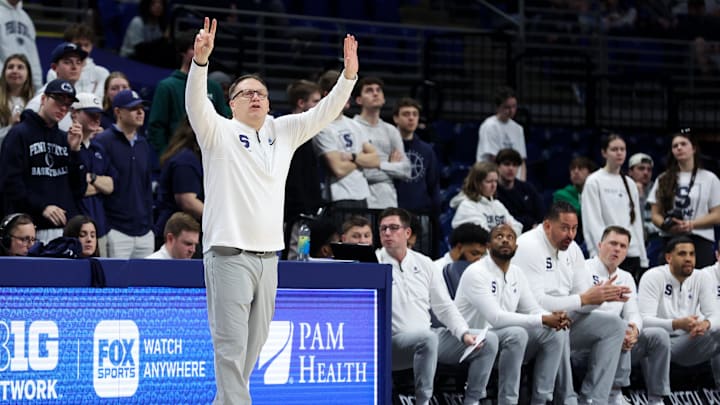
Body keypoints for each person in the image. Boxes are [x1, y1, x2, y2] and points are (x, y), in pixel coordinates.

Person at [186, 17, 358, 403]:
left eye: (260, 92)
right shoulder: (218, 132)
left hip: (269, 257)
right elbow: (195, 104)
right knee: (230, 350)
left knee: (252, 349)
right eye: (246, 93)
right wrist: (200, 64)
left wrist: (348, 77)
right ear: (231, 104)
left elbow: (324, 112)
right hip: (228, 252)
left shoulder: (283, 131)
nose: (255, 97)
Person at [375, 207, 498, 405]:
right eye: (383, 229)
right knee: (428, 337)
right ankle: (423, 401)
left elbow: (444, 307)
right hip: (392, 343)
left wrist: (464, 333)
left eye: (393, 228)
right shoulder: (375, 262)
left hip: (428, 338)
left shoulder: (425, 263)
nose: (387, 233)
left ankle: (473, 401)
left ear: (407, 233)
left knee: (489, 340)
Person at [511, 201, 629, 404]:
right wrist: (583, 299)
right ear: (548, 226)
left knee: (614, 325)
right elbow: (533, 302)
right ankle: (567, 399)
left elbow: (582, 299)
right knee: (559, 324)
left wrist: (600, 297)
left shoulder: (573, 249)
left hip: (563, 319)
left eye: (574, 228)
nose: (571, 235)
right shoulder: (528, 246)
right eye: (564, 228)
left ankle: (594, 399)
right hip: (528, 324)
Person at [455, 223, 568, 405]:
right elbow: (496, 318)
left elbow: (532, 308)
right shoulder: (476, 272)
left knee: (555, 332)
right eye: (499, 236)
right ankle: (508, 401)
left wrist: (552, 317)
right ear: (488, 246)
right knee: (517, 333)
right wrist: (542, 319)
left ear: (516, 246)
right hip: (470, 337)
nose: (505, 239)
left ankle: (542, 399)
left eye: (510, 237)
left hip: (502, 338)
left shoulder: (517, 273)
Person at [584, 226, 670, 405]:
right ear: (600, 245)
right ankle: (614, 393)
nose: (617, 249)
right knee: (617, 327)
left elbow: (633, 313)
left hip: (618, 341)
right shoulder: (583, 269)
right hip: (584, 343)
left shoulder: (626, 277)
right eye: (613, 243)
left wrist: (635, 331)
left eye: (623, 246)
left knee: (657, 335)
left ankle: (656, 398)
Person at [0, 79, 85, 243]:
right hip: (29, 230)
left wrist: (75, 152)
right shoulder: (19, 134)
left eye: (67, 105)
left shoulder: (64, 138)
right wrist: (42, 207)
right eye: (58, 100)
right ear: (44, 99)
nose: (63, 108)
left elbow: (79, 190)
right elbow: (10, 183)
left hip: (63, 229)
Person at [638, 236, 720, 390]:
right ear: (669, 257)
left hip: (687, 341)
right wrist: (676, 324)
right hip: (659, 341)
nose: (688, 259)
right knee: (655, 335)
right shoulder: (653, 277)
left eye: (692, 254)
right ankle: (656, 398)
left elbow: (715, 315)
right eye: (682, 254)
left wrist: (706, 324)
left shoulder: (702, 277)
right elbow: (643, 321)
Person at [148, 32, 229, 155]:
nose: (200, 50)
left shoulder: (214, 87)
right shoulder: (167, 86)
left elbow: (223, 122)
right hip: (178, 154)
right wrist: (165, 155)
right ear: (182, 52)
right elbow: (156, 126)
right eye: (193, 47)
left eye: (204, 46)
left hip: (209, 155)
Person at [94, 89, 154, 258]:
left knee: (144, 284)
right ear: (118, 112)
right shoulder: (103, 141)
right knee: (117, 283)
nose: (140, 112)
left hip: (144, 231)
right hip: (116, 230)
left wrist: (150, 225)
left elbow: (146, 186)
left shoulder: (143, 144)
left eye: (142, 107)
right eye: (134, 108)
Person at [648, 130, 720, 268]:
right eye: (675, 146)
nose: (679, 148)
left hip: (700, 238)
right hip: (670, 238)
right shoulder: (663, 178)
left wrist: (691, 224)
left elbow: (717, 215)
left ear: (693, 148)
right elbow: (655, 214)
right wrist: (666, 225)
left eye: (683, 144)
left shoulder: (710, 179)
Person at [582, 134, 648, 277]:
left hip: (631, 252)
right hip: (608, 253)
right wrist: (598, 253)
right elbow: (592, 221)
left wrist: (643, 257)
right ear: (604, 153)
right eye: (614, 149)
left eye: (622, 149)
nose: (619, 153)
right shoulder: (594, 181)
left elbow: (636, 222)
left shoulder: (630, 183)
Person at [312, 69, 378, 208]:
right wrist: (361, 160)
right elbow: (338, 169)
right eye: (343, 90)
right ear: (328, 94)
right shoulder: (323, 127)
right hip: (339, 196)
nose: (348, 95)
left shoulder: (354, 124)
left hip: (362, 194)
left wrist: (353, 157)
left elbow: (375, 159)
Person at [353, 76, 411, 209]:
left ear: (384, 98)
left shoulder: (391, 130)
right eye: (369, 90)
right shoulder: (352, 127)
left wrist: (377, 164)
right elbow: (358, 170)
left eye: (378, 90)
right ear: (359, 100)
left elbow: (406, 170)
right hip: (360, 197)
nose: (375, 93)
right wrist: (391, 166)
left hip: (388, 199)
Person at [283, 79, 322, 260]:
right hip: (296, 213)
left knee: (302, 254)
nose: (319, 105)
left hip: (305, 214)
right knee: (296, 254)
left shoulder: (308, 132)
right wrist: (303, 208)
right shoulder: (290, 130)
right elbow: (294, 176)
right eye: (315, 101)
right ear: (301, 103)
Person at [71, 92, 115, 257]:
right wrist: (99, 184)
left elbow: (111, 186)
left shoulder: (99, 148)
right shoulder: (69, 146)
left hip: (99, 229)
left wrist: (92, 178)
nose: (96, 119)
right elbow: (77, 188)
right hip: (75, 229)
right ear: (74, 113)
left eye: (98, 115)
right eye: (90, 114)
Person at [154, 116, 203, 245]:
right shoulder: (186, 161)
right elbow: (188, 201)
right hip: (176, 235)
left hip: (185, 233)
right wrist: (218, 219)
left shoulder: (194, 157)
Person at [392, 97, 441, 216]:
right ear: (396, 118)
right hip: (394, 211)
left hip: (422, 213)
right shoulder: (389, 147)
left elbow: (433, 184)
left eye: (415, 114)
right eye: (406, 114)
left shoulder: (427, 150)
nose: (411, 118)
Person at [25, 42, 87, 132]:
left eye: (78, 62)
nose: (74, 67)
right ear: (54, 67)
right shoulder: (41, 100)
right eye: (68, 62)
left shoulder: (80, 98)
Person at [450, 161, 523, 236]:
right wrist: (506, 231)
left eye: (495, 181)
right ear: (476, 183)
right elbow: (482, 235)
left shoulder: (497, 204)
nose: (493, 185)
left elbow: (517, 226)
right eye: (489, 181)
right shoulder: (467, 206)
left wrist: (506, 233)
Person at [476, 86, 527, 181]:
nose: (511, 110)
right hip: (493, 181)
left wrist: (521, 183)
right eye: (507, 107)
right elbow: (494, 159)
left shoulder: (518, 128)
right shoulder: (489, 126)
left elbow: (522, 161)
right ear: (498, 107)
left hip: (513, 182)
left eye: (514, 106)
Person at [46, 23, 109, 99]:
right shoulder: (54, 72)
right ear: (67, 44)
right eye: (78, 45)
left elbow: (98, 102)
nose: (83, 49)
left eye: (86, 45)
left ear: (92, 46)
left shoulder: (101, 73)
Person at [495, 148, 544, 232]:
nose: (511, 168)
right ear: (498, 166)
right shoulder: (493, 190)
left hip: (531, 233)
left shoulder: (528, 188)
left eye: (514, 165)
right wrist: (528, 222)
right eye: (507, 164)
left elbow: (541, 215)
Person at [553, 156, 597, 246]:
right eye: (573, 169)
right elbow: (580, 212)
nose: (576, 172)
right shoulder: (561, 194)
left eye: (580, 168)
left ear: (590, 174)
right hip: (574, 239)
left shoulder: (596, 192)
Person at [0, 0, 43, 91]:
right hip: (3, 83)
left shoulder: (26, 18)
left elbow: (33, 54)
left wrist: (37, 85)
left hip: (24, 85)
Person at [0, 54, 34, 144]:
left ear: (28, 74)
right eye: (10, 67)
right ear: (4, 73)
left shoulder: (35, 102)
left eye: (20, 67)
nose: (15, 71)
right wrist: (11, 127)